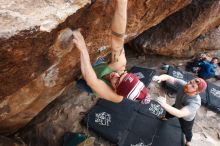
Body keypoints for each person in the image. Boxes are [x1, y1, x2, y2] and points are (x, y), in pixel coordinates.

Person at [73, 0, 150, 104]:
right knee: (92, 66)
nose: (116, 76)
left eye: (117, 82)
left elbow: (92, 81)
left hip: (94, 84)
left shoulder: (115, 96)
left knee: (81, 83)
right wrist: (122, 3)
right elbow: (118, 38)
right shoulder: (120, 65)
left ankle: (78, 79)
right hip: (99, 67)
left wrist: (83, 48)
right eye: (122, 76)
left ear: (116, 90)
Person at [152, 74, 207, 146]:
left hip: (186, 118)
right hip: (177, 107)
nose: (188, 85)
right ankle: (165, 118)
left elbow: (180, 113)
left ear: (197, 92)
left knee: (187, 131)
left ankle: (188, 141)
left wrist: (164, 104)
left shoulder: (195, 102)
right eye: (190, 82)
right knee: (168, 113)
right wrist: (160, 77)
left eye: (193, 86)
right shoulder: (183, 84)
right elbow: (168, 77)